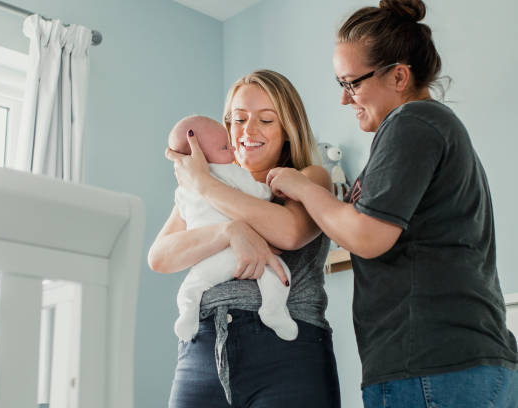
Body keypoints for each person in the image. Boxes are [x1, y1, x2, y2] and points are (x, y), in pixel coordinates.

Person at [265, 1, 518, 407]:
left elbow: (367, 235)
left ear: (399, 76)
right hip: (463, 362)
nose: (346, 100)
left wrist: (303, 186)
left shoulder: (411, 122)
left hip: (430, 366)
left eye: (352, 84)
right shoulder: (436, 128)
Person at [149, 69, 341, 407]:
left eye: (266, 120)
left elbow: (289, 232)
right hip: (204, 347)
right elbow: (160, 257)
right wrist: (228, 231)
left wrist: (205, 185)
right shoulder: (199, 191)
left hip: (288, 351)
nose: (247, 131)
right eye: (238, 119)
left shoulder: (308, 177)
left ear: (287, 130)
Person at [168, 115, 297, 342]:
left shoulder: (183, 191)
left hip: (208, 261)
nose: (232, 149)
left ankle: (187, 315)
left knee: (191, 287)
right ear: (200, 155)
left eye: (266, 119)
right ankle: (273, 310)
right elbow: (262, 194)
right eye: (224, 146)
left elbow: (290, 234)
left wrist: (200, 182)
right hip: (239, 256)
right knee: (278, 274)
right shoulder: (231, 172)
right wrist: (269, 191)